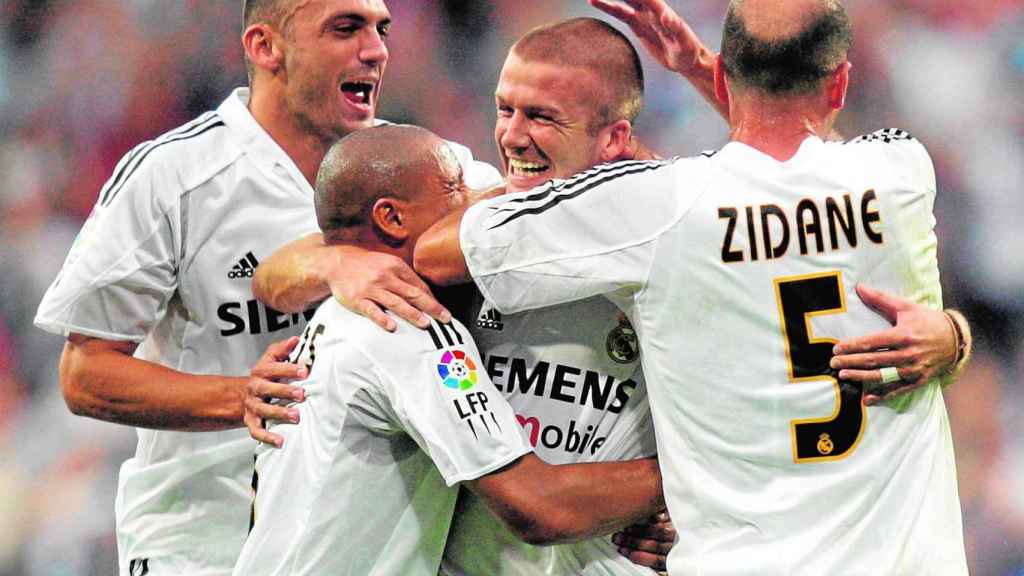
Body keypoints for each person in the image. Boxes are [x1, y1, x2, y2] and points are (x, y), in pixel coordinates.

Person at [249, 12, 968, 576]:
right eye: (505, 108)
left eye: (542, 118)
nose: (512, 137)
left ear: (614, 138)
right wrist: (338, 266)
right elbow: (301, 260)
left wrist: (953, 339)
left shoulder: (659, 217)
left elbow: (768, 176)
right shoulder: (469, 196)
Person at [33, 1, 498, 574]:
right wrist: (242, 396)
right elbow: (85, 374)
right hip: (202, 549)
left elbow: (535, 216)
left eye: (382, 29)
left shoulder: (427, 168)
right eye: (346, 28)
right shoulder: (174, 176)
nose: (376, 50)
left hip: (360, 550)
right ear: (264, 46)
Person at [233, 124, 666, 576]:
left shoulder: (332, 314)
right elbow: (539, 506)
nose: (472, 205)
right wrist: (688, 475)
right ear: (392, 218)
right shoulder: (410, 329)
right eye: (456, 188)